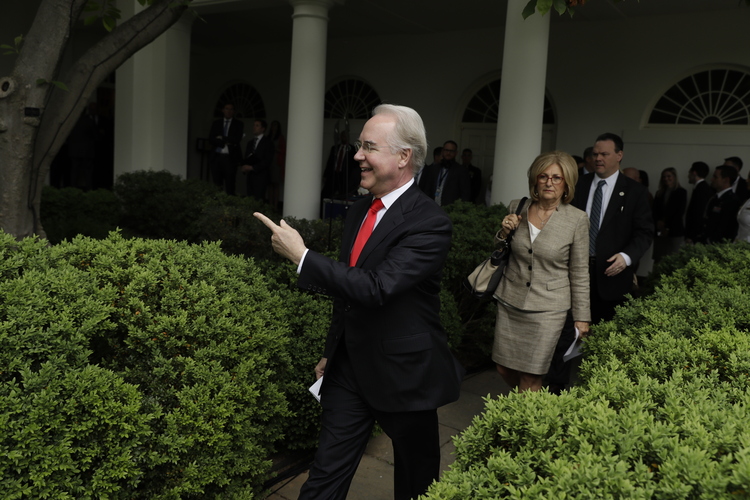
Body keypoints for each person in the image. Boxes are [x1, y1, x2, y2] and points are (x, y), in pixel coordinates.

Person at [253, 104, 463, 500]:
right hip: (349, 369)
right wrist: (332, 351)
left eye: (369, 146)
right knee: (324, 478)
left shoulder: (430, 222)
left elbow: (377, 286)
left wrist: (302, 257)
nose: (356, 155)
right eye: (358, 144)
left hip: (406, 377)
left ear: (404, 156)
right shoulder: (359, 210)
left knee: (417, 485)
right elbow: (347, 295)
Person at [546, 133, 654, 394]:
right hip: (572, 275)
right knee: (563, 337)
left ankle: (597, 393)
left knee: (605, 340)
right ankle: (555, 393)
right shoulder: (576, 186)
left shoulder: (635, 192)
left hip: (611, 277)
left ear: (619, 155)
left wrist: (626, 257)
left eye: (604, 154)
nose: (598, 158)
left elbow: (644, 233)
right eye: (595, 154)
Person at [492, 151, 590, 393]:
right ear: (535, 180)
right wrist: (504, 233)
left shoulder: (577, 219)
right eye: (543, 176)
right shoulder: (518, 206)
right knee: (503, 368)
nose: (549, 182)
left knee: (531, 375)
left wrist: (582, 317)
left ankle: (526, 422)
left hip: (549, 308)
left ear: (567, 183)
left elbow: (579, 272)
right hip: (510, 301)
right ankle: (535, 406)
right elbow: (499, 252)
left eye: (557, 178)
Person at [418, 140, 472, 206]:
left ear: (456, 153)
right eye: (446, 150)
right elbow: (427, 190)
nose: (448, 153)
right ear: (442, 151)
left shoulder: (461, 170)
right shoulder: (434, 169)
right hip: (432, 208)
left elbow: (465, 194)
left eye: (451, 151)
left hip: (451, 209)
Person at [652, 167, 687, 263]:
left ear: (675, 177)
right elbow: (654, 211)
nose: (666, 178)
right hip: (659, 231)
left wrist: (667, 227)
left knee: (673, 258)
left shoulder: (681, 192)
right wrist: (659, 222)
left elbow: (679, 212)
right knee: (659, 258)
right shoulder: (659, 193)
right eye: (664, 177)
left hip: (675, 231)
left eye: (669, 176)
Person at [209, 103, 244, 195]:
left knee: (230, 184)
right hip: (217, 157)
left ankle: (229, 207)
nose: (229, 111)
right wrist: (224, 142)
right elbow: (211, 139)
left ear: (234, 112)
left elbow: (236, 139)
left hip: (230, 158)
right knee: (217, 184)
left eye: (231, 109)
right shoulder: (216, 123)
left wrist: (221, 138)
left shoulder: (238, 124)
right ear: (223, 110)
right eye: (227, 109)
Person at [705, 165, 740, 243]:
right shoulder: (715, 198)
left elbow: (727, 228)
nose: (711, 179)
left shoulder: (732, 201)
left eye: (715, 177)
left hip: (717, 245)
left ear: (726, 180)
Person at [241, 119, 274, 201]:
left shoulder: (268, 143)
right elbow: (247, 157)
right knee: (250, 197)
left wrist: (253, 167)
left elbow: (267, 160)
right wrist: (245, 166)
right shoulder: (250, 143)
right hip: (250, 176)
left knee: (259, 198)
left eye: (257, 125)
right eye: (254, 125)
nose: (254, 127)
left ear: (263, 129)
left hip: (261, 175)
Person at [321, 130, 359, 201]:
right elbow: (330, 162)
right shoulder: (335, 148)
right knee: (325, 193)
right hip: (333, 174)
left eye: (345, 136)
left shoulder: (353, 150)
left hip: (345, 176)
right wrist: (325, 175)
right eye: (342, 136)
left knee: (343, 195)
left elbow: (355, 166)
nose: (343, 138)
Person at [685, 161, 714, 244]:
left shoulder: (700, 189)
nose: (688, 176)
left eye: (689, 173)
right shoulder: (703, 188)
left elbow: (698, 214)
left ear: (694, 173)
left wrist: (691, 235)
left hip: (695, 235)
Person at [268, 120, 286, 211]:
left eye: (275, 125)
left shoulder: (280, 137)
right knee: (269, 184)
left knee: (276, 184)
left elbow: (283, 150)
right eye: (272, 125)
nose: (274, 127)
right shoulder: (269, 137)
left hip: (276, 162)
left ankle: (275, 205)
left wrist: (275, 149)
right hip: (269, 161)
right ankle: (270, 204)